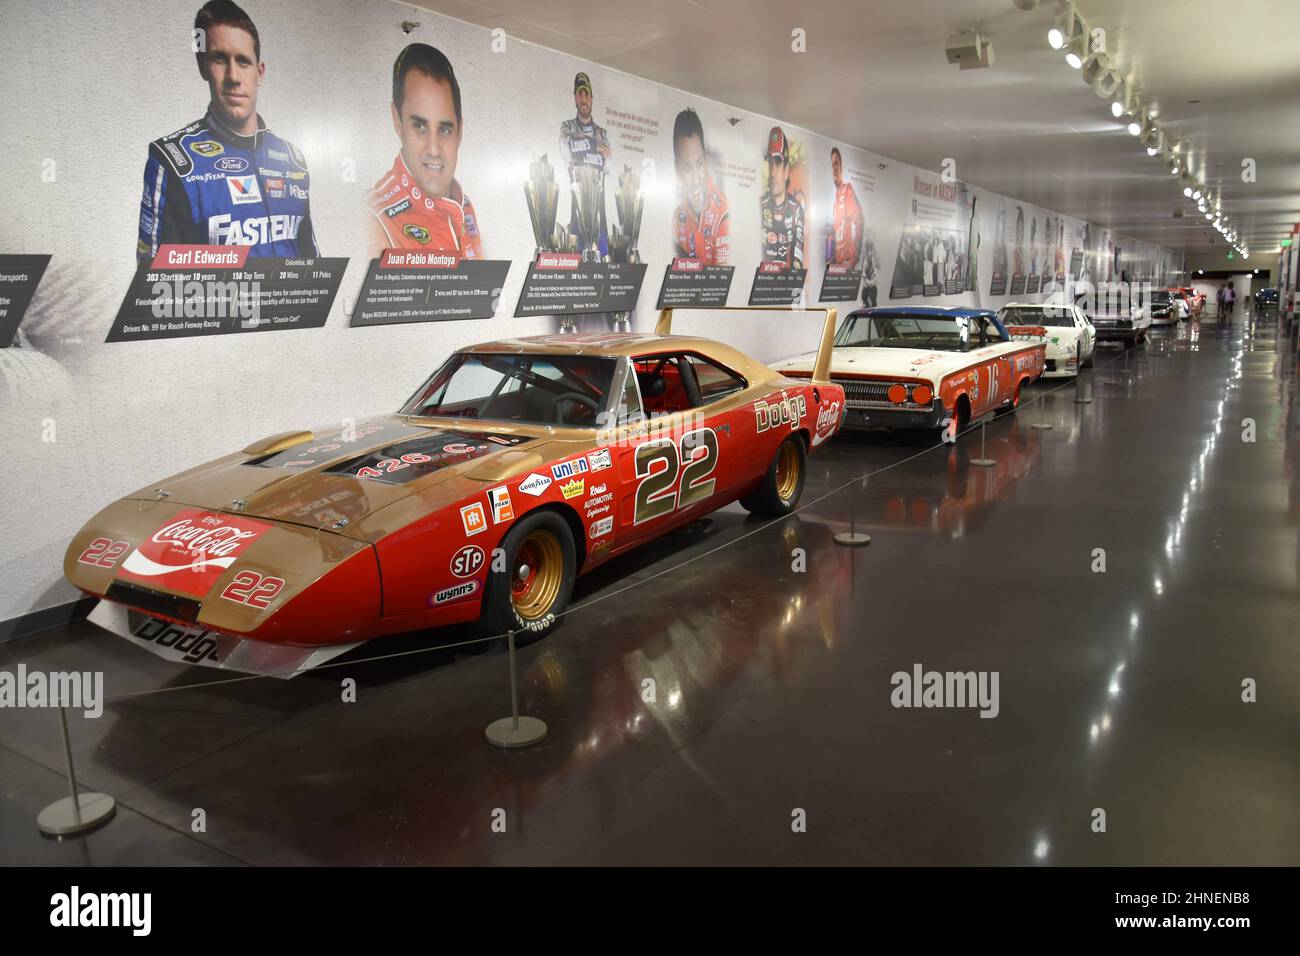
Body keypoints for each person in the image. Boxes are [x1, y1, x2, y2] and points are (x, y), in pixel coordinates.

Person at [137, 0, 318, 259]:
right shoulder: (172, 160)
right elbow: (153, 285)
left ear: (260, 72)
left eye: (243, 61)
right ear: (203, 67)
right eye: (220, 59)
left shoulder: (292, 159)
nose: (233, 77)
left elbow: (311, 262)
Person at [366, 43, 482, 258]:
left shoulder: (465, 207)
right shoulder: (375, 219)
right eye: (420, 126)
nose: (434, 149)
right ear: (397, 120)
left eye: (445, 130)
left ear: (460, 131)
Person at [559, 72, 611, 258]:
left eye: (586, 94)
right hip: (577, 214)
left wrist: (581, 151)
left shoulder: (602, 133)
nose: (583, 99)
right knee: (578, 270)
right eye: (579, 94)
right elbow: (566, 150)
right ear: (575, 98)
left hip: (600, 215)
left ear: (591, 99)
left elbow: (607, 164)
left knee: (603, 268)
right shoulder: (567, 127)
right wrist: (593, 147)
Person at [671, 109, 730, 265]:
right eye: (687, 168)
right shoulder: (677, 218)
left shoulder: (723, 211)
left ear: (705, 161)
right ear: (678, 171)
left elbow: (722, 281)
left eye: (698, 164)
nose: (696, 178)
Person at [760, 126, 805, 269]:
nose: (772, 172)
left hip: (786, 287)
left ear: (786, 171)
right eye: (770, 163)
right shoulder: (760, 206)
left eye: (778, 163)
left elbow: (798, 264)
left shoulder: (796, 210)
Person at [828, 147, 863, 269]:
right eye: (832, 165)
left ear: (841, 167)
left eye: (836, 163)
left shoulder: (847, 189)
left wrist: (853, 259)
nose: (834, 168)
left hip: (847, 266)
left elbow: (859, 220)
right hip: (837, 267)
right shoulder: (834, 204)